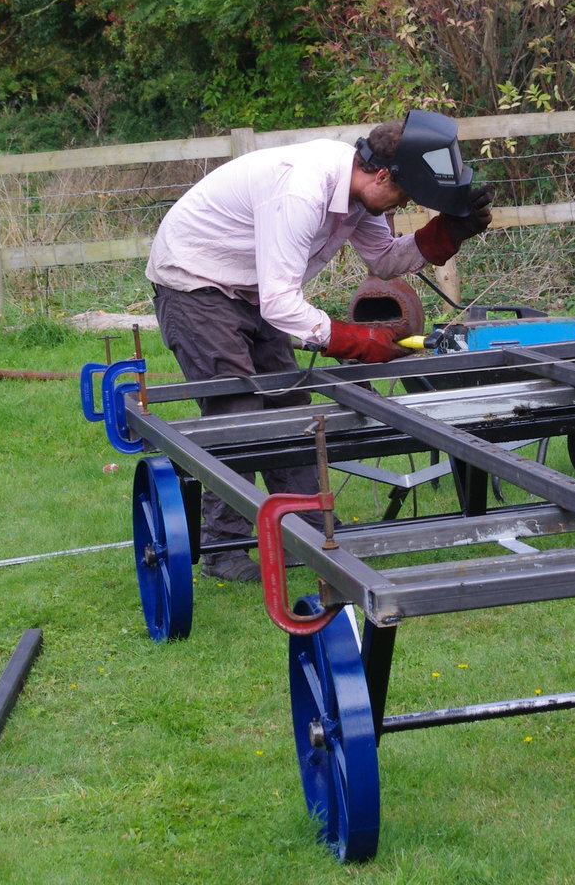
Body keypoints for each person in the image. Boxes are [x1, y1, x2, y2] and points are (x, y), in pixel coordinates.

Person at [146, 110, 493, 580]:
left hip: (251, 289)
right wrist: (355, 340)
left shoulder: (358, 195)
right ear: (383, 176)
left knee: (288, 403)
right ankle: (223, 550)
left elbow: (384, 260)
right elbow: (281, 302)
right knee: (236, 409)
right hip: (194, 283)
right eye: (403, 195)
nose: (401, 204)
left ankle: (304, 532)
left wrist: (449, 232)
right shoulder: (303, 190)